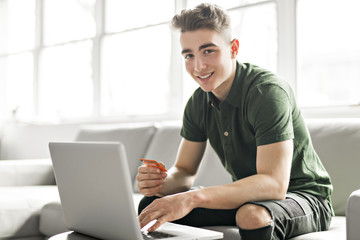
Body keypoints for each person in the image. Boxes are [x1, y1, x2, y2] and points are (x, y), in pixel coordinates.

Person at [136, 3, 333, 240]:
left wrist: (192, 198)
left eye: (208, 51)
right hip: (251, 199)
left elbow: (274, 184)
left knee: (251, 216)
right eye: (189, 55)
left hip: (303, 198)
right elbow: (185, 171)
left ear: (233, 48)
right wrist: (160, 183)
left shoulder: (266, 92)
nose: (198, 66)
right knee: (151, 207)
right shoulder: (198, 102)